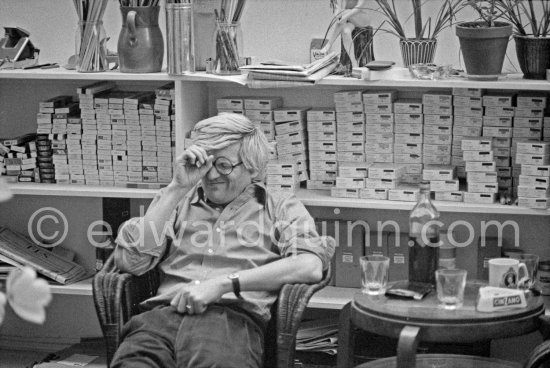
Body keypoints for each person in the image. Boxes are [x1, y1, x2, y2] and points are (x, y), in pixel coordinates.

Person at [110, 113, 334, 368]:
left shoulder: (279, 206)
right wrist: (176, 188)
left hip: (229, 322)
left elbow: (310, 266)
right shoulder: (176, 200)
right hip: (160, 318)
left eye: (224, 165)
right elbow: (132, 262)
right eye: (205, 162)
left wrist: (222, 284)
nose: (211, 175)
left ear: (252, 166)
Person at [321, 0, 371, 69]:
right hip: (349, 20)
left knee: (346, 12)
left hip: (362, 19)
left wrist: (344, 16)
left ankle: (329, 44)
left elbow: (358, 8)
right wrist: (339, 15)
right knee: (345, 32)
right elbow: (339, 11)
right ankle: (354, 63)